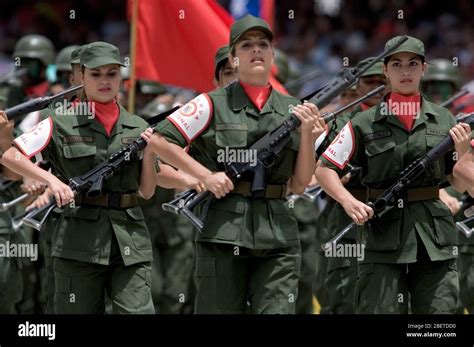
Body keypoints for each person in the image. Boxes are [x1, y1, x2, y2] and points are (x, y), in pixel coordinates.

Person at [143, 15, 325, 314]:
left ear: (272, 53)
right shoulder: (209, 103)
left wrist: (307, 138)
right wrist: (205, 175)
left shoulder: (294, 109)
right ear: (233, 57)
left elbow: (299, 183)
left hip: (277, 234)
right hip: (223, 232)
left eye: (263, 44)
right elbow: (160, 141)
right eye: (247, 45)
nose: (256, 50)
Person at [315, 36, 471, 314]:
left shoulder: (445, 119)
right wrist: (349, 203)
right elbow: (325, 169)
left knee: (439, 319)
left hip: (433, 236)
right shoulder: (363, 122)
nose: (406, 71)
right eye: (397, 64)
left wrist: (461, 152)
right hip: (382, 236)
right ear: (386, 71)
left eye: (413, 64)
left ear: (424, 69)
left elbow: (458, 181)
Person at [1, 41, 159, 314]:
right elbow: (10, 157)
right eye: (95, 74)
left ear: (121, 77)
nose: (104, 81)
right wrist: (52, 181)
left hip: (129, 240)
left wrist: (150, 152)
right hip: (78, 240)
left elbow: (147, 191)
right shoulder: (59, 121)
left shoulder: (139, 126)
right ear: (81, 77)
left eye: (111, 73)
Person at [322, 57, 387, 314]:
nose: (376, 87)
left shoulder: (402, 122)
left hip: (391, 215)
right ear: (359, 85)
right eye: (369, 81)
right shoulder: (340, 122)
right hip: (348, 216)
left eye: (381, 81)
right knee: (345, 292)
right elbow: (320, 169)